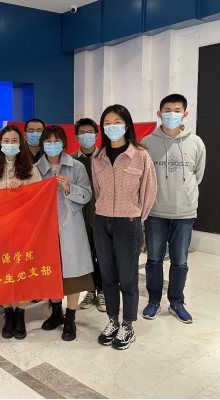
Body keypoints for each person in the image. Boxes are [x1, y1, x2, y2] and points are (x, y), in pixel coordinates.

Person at [92, 104, 157, 350]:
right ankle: (112, 321)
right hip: (102, 221)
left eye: (117, 122)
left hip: (128, 222)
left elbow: (149, 191)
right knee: (108, 276)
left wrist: (138, 219)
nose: (112, 127)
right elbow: (98, 190)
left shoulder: (140, 155)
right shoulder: (98, 157)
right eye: (107, 123)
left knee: (127, 278)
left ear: (127, 125)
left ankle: (127, 325)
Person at [141, 94, 206, 324]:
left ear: (185, 114)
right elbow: (144, 177)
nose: (172, 114)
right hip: (155, 212)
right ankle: (153, 301)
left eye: (177, 110)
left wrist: (183, 194)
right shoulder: (147, 142)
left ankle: (177, 302)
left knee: (180, 261)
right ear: (159, 114)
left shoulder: (196, 143)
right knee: (154, 260)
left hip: (184, 213)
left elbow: (197, 175)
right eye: (167, 110)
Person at [35, 125, 94, 342]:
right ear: (42, 144)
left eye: (56, 141)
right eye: (48, 141)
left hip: (71, 227)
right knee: (51, 271)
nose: (52, 145)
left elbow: (87, 194)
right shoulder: (35, 169)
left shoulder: (76, 166)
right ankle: (56, 311)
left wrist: (70, 188)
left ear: (64, 143)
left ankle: (70, 316)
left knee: (73, 274)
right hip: (46, 228)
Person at [0, 125, 42, 340]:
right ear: (0, 143)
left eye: (14, 141)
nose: (10, 144)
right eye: (6, 141)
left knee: (22, 273)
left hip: (24, 230)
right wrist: (3, 194)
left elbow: (38, 200)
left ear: (21, 143)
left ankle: (20, 313)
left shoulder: (31, 170)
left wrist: (23, 193)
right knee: (3, 273)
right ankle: (7, 312)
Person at [72, 118, 105, 313]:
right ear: (76, 137)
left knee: (103, 255)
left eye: (89, 132)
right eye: (82, 133)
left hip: (102, 215)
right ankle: (91, 291)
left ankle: (103, 291)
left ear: (96, 135)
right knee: (86, 256)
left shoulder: (105, 158)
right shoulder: (71, 160)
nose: (86, 136)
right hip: (79, 217)